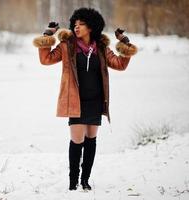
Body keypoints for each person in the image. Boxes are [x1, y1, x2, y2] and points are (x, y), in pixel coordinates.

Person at [32, 7, 137, 191]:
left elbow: (120, 64)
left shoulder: (102, 47)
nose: (76, 27)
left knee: (91, 140)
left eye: (81, 24)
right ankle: (73, 183)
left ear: (91, 27)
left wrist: (125, 42)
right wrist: (47, 36)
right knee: (76, 141)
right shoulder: (67, 46)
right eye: (75, 24)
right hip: (76, 102)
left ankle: (85, 181)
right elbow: (46, 59)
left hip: (96, 102)